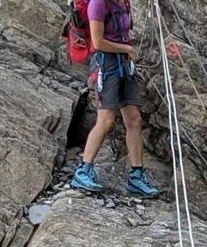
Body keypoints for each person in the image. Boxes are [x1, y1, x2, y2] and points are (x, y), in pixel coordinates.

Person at [69, 0, 161, 198]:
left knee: (134, 120)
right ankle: (83, 170)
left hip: (123, 65)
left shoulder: (123, 2)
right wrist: (127, 49)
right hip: (106, 65)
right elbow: (97, 41)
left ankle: (137, 176)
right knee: (107, 120)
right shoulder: (99, 3)